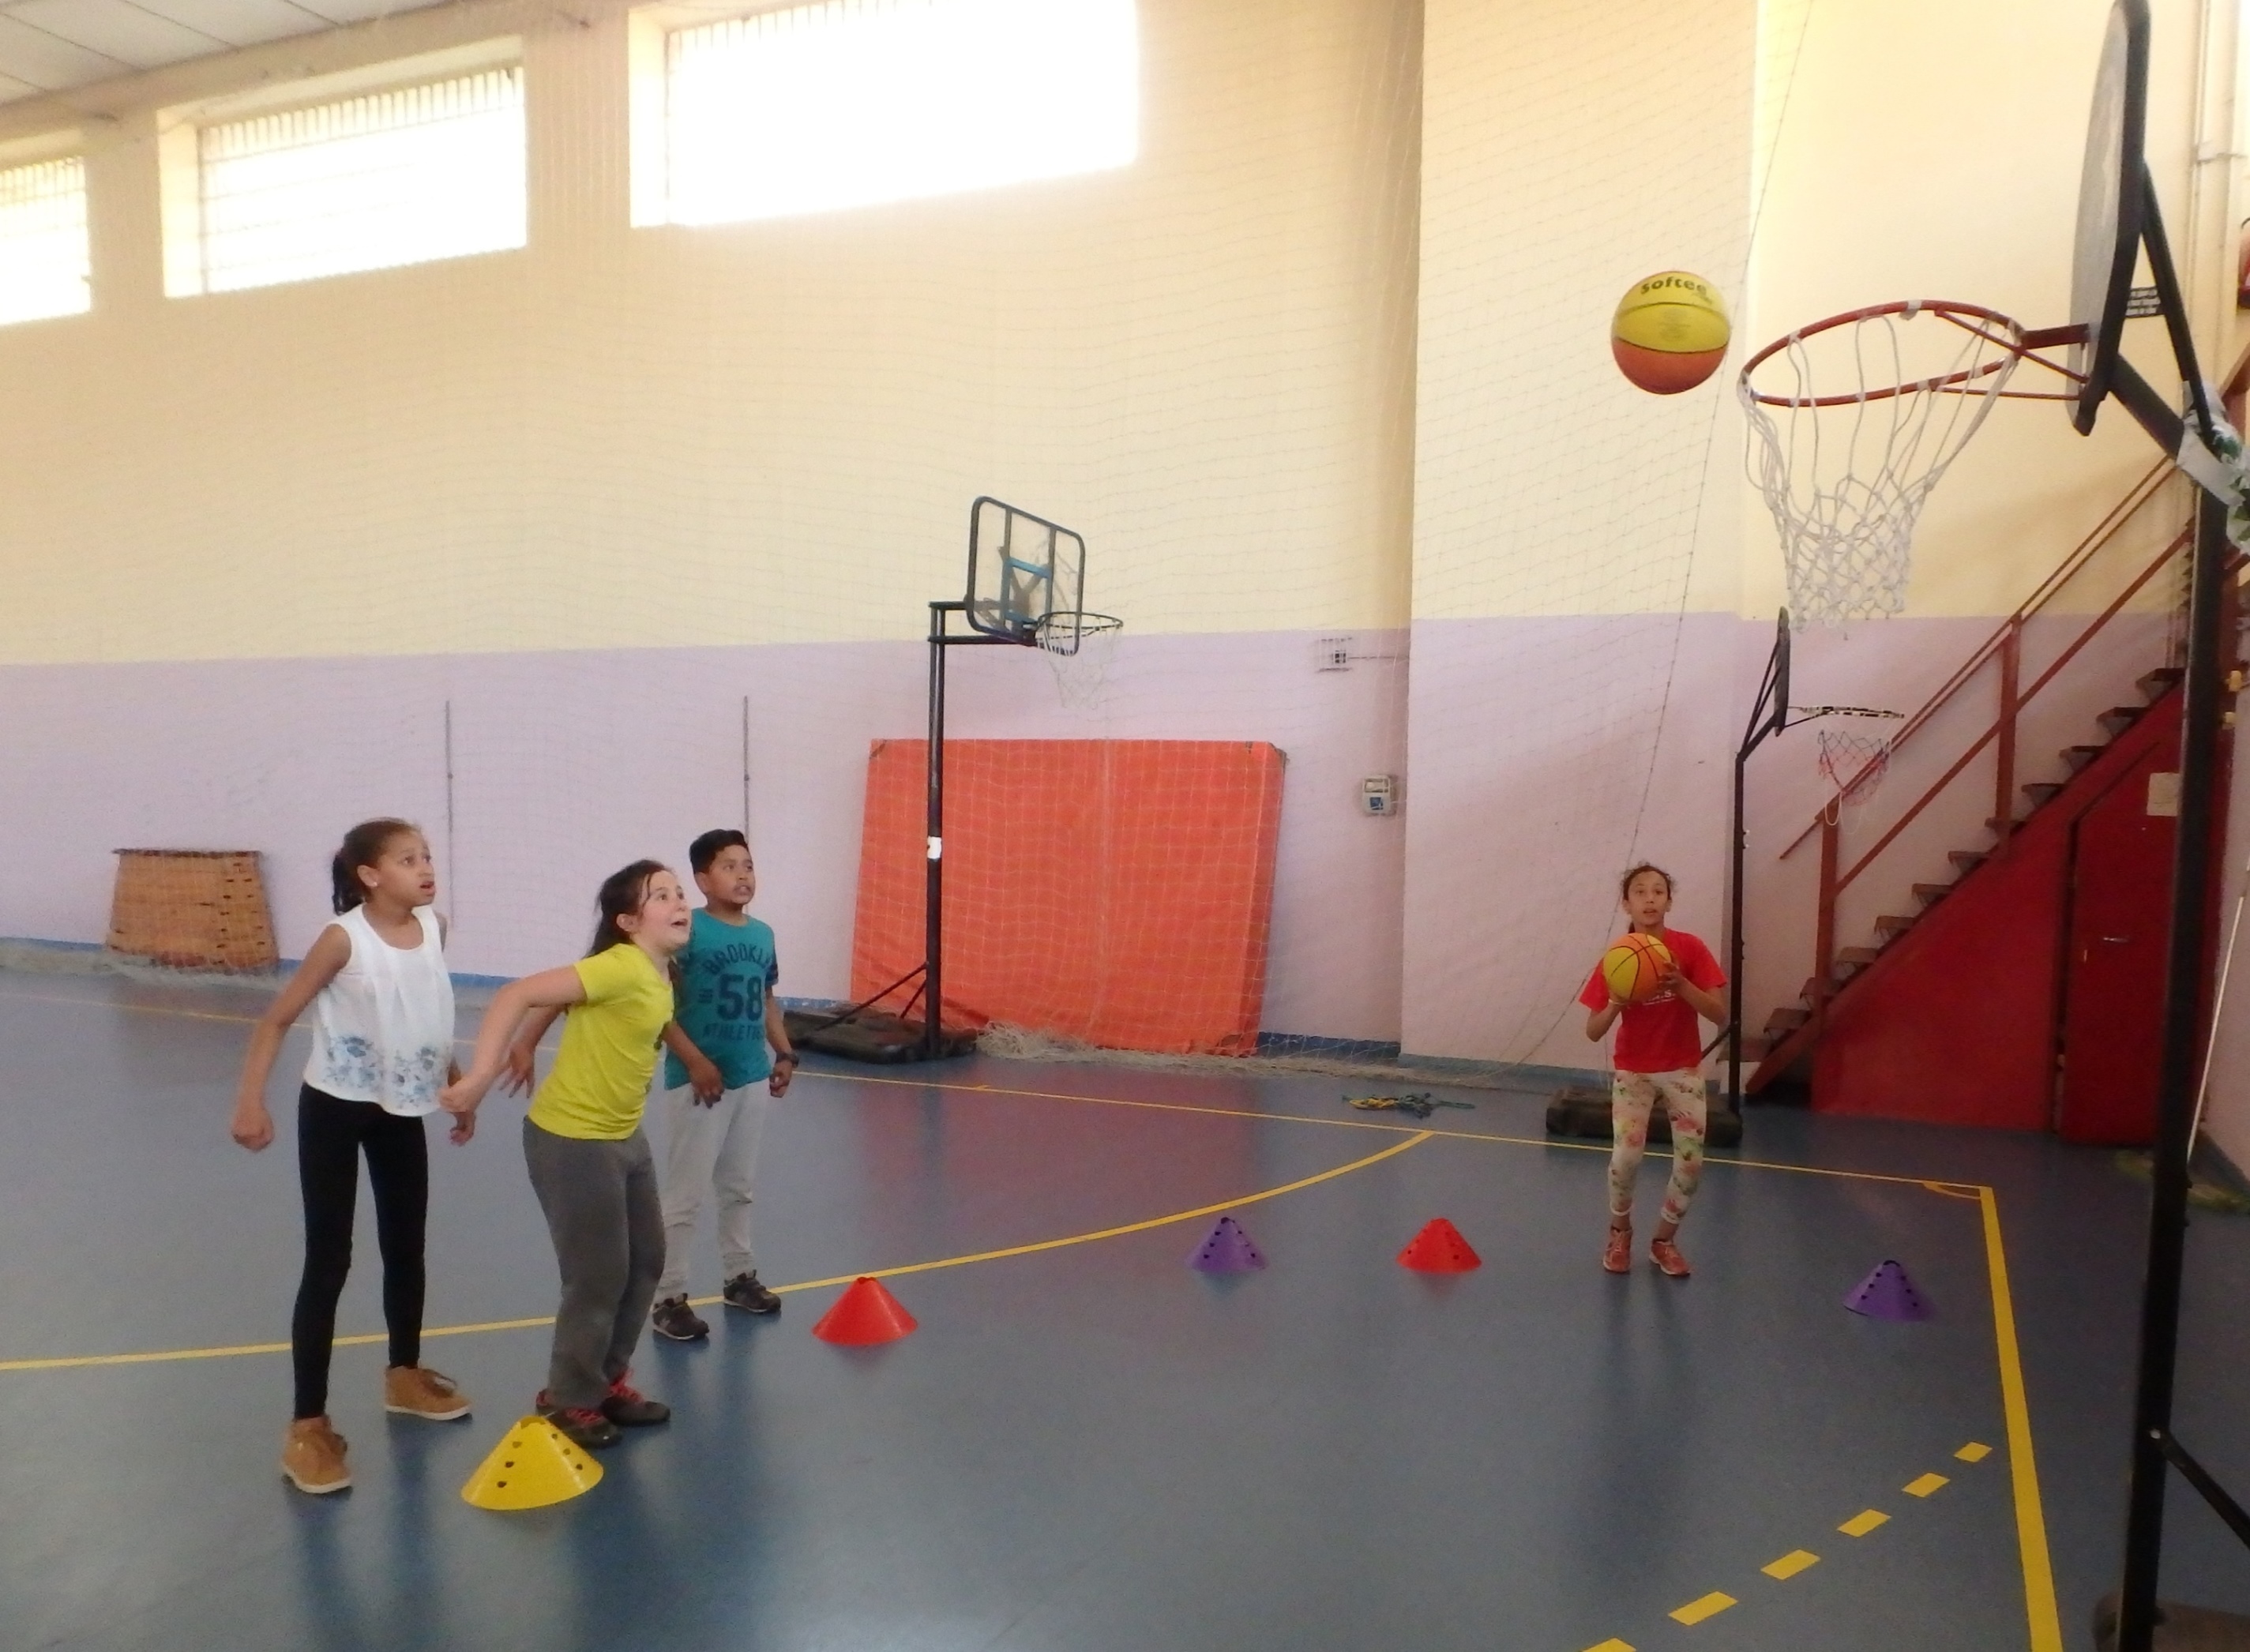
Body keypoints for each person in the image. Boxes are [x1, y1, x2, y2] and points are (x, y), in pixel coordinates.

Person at [230, 818, 474, 1496]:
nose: (425, 868)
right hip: (336, 1107)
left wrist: (454, 1082)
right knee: (329, 1259)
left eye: (426, 857)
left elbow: (430, 1012)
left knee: (407, 1245)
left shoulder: (436, 927)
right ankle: (307, 1425)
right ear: (369, 875)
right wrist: (251, 1101)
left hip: (402, 1108)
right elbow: (276, 1018)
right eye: (406, 859)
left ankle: (403, 1374)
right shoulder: (343, 939)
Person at [440, 861, 689, 1450]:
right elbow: (518, 992)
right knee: (597, 1276)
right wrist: (482, 1072)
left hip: (623, 1136)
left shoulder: (659, 970)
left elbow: (571, 999)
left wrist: (531, 1039)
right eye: (661, 896)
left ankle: (604, 1383)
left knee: (647, 1261)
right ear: (629, 921)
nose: (679, 901)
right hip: (572, 1140)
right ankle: (566, 1399)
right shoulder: (622, 965)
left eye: (680, 892)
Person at [643, 829, 797, 1341]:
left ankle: (739, 1276)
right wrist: (694, 1061)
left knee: (738, 1188)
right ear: (702, 878)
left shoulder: (762, 934)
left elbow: (766, 999)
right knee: (684, 1196)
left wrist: (784, 1051)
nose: (742, 875)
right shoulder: (690, 932)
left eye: (747, 865)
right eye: (729, 866)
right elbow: (660, 1006)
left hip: (749, 1078)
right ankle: (668, 1297)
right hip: (697, 1083)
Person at [1578, 863, 1727, 1278]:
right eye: (1639, 892)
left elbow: (1718, 1013)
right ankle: (1620, 1231)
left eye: (1658, 891)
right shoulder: (1617, 958)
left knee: (1691, 1163)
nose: (1649, 898)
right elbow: (1593, 1032)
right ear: (1626, 902)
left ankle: (1664, 1241)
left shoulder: (1690, 949)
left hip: (1681, 1069)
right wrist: (1616, 1003)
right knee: (1625, 1158)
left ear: (1669, 901)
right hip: (1634, 1072)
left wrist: (1681, 985)